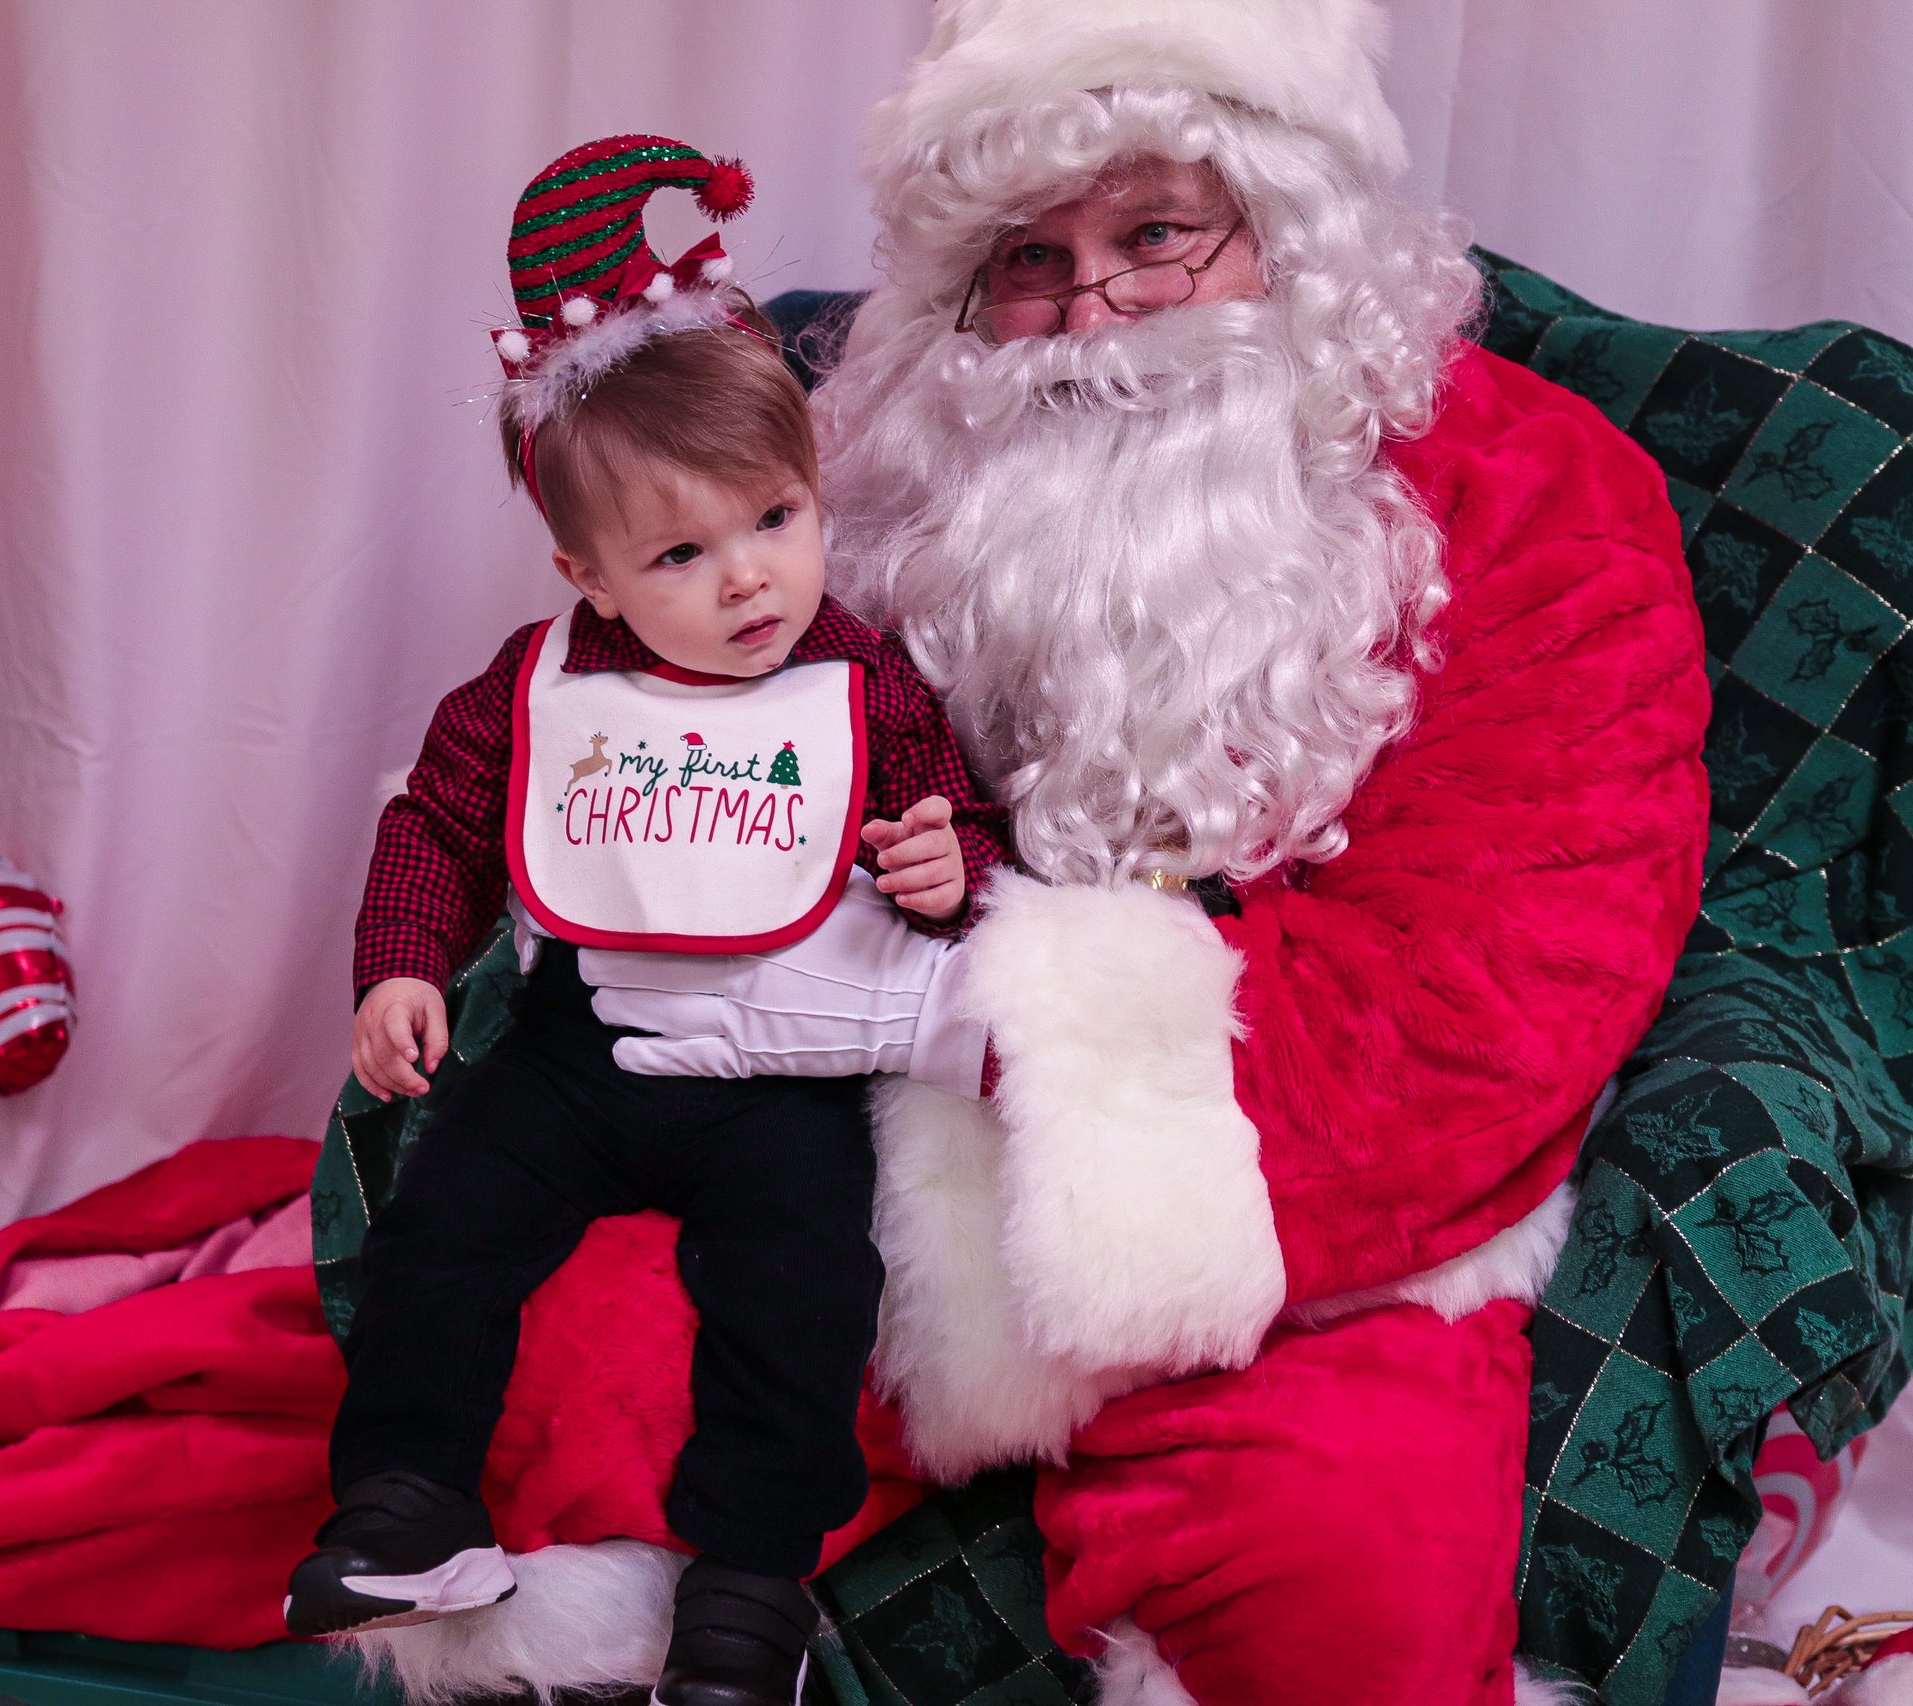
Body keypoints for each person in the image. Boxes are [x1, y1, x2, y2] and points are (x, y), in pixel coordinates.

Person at [366, 7, 1713, 1704]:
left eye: (1157, 234)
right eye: (1030, 259)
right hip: (844, 1138)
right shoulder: (874, 470)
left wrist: (1005, 1040)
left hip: (1304, 1209)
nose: (1088, 314)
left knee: (1344, 1561)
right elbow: (694, 777)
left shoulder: (1537, 493)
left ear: (1289, 229)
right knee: (553, 1404)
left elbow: (1505, 975)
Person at [288, 137, 1009, 1706]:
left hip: (781, 1070)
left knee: (803, 1290)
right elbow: (436, 823)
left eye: (774, 518)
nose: (748, 580)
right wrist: (400, 967)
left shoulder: (863, 679)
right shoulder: (539, 682)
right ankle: (404, 1502)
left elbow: (962, 825)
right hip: (580, 1052)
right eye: (682, 554)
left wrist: (945, 866)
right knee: (444, 1222)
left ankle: (748, 1588)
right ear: (590, 574)